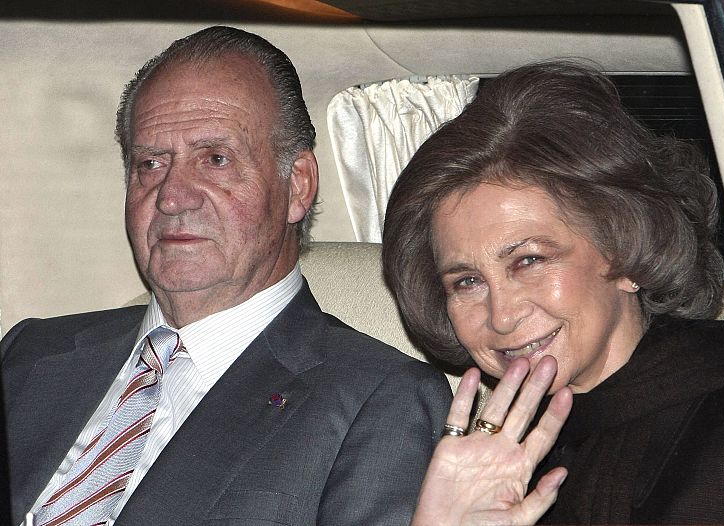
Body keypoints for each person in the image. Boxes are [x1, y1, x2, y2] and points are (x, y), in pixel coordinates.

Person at [2, 26, 456, 526]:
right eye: (150, 163)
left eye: (215, 160)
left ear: (298, 186)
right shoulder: (31, 353)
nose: (172, 196)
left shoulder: (378, 400)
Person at [383, 61, 724, 524]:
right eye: (467, 282)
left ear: (628, 253)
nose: (501, 316)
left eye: (529, 261)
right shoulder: (487, 471)